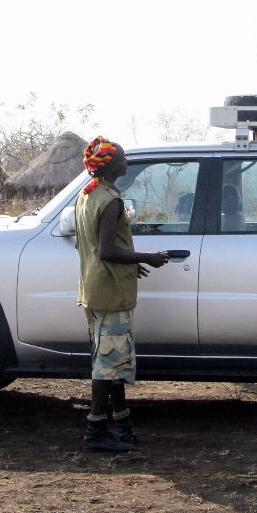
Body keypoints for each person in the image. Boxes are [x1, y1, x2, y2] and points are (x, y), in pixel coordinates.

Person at [75, 136, 170, 453]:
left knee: (109, 361)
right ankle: (95, 429)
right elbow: (107, 250)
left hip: (96, 288)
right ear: (111, 165)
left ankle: (122, 421)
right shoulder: (111, 201)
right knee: (106, 366)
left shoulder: (88, 195)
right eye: (123, 159)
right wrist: (146, 258)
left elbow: (97, 249)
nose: (127, 164)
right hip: (110, 293)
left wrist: (130, 265)